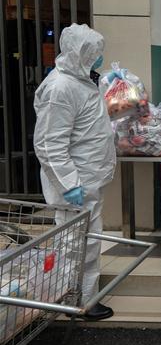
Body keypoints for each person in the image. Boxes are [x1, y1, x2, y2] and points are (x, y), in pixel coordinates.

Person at [33, 24, 116, 321]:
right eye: (94, 54)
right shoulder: (60, 88)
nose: (98, 58)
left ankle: (84, 296)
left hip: (87, 179)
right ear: (79, 54)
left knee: (89, 241)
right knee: (74, 243)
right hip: (75, 183)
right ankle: (74, 300)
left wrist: (110, 83)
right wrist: (69, 184)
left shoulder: (80, 80)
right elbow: (48, 143)